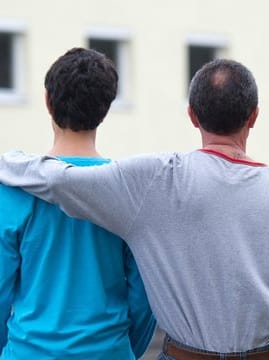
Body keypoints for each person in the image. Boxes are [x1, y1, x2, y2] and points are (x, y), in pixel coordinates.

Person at [0, 58, 269, 360]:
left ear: (192, 115)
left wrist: (8, 161)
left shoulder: (149, 183)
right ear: (254, 116)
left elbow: (57, 181)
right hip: (264, 354)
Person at [0, 48, 156, 359]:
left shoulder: (13, 189)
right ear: (106, 108)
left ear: (47, 101)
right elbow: (145, 297)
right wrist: (123, 349)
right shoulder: (127, 192)